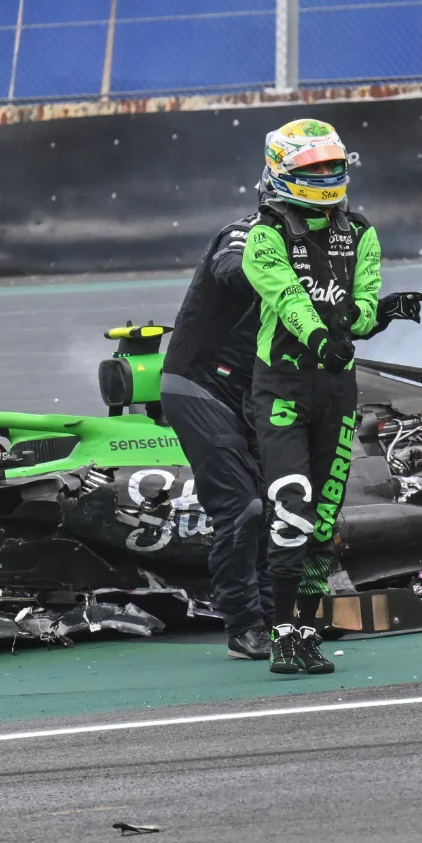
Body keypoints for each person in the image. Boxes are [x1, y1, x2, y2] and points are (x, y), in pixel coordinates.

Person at [241, 119, 418, 674]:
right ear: (282, 171)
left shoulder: (361, 232)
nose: (324, 176)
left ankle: (308, 629)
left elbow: (363, 304)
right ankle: (283, 636)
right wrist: (322, 334)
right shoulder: (263, 234)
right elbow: (287, 298)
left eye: (330, 165)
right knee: (289, 512)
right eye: (312, 168)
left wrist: (373, 316)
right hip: (282, 391)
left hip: (337, 393)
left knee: (322, 521)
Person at [159, 212, 274, 660]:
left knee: (273, 505)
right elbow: (230, 266)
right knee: (244, 507)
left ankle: (275, 618)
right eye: (311, 171)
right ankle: (244, 626)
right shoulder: (247, 231)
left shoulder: (330, 245)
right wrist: (270, 271)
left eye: (328, 169)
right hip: (199, 385)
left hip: (252, 393)